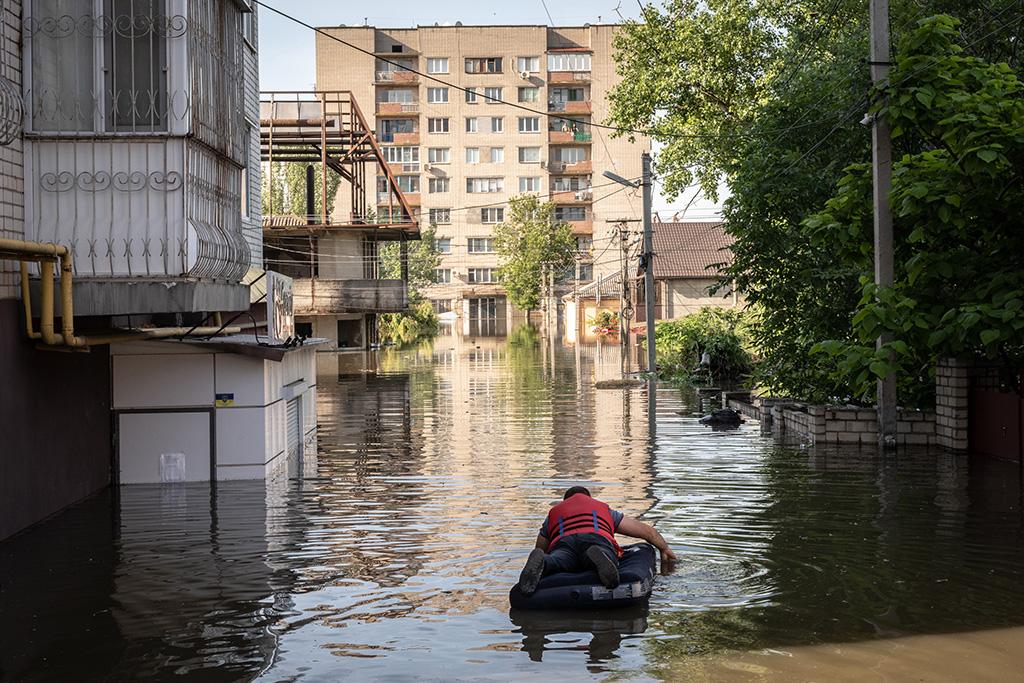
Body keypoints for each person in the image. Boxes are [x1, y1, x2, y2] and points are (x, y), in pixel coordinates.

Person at [517, 486, 677, 595]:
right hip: (596, 539)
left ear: (565, 501)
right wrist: (665, 549)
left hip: (564, 543)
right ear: (589, 498)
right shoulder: (601, 509)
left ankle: (546, 562)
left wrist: (542, 556)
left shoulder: (554, 513)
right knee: (601, 554)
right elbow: (646, 532)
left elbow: (540, 547)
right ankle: (601, 556)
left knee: (559, 560)